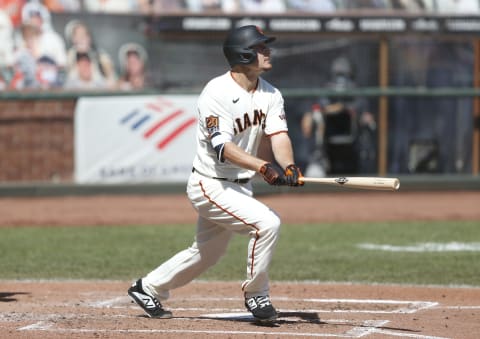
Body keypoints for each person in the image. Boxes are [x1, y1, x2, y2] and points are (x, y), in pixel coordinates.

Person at [128, 25, 304, 324]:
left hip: (238, 187)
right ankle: (257, 294)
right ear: (244, 54)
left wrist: (288, 166)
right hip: (209, 185)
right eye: (261, 48)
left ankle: (148, 288)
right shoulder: (216, 92)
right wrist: (263, 166)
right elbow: (222, 147)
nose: (267, 52)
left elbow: (279, 135)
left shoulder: (271, 93)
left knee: (206, 254)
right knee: (268, 223)